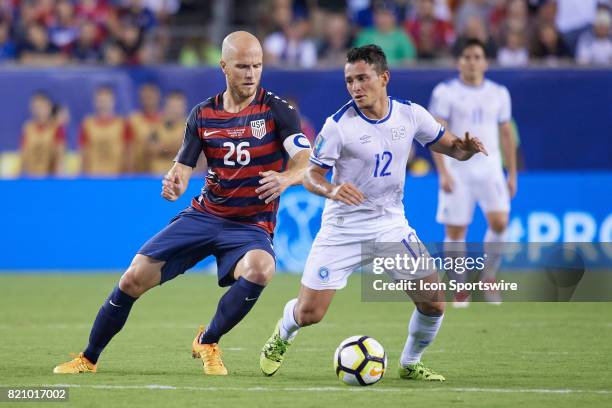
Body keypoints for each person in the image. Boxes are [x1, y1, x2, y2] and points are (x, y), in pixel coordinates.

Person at [53, 31, 311, 375]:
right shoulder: (203, 115)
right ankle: (88, 358)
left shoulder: (279, 111)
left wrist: (285, 178)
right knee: (133, 278)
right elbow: (182, 167)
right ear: (224, 66)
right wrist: (174, 182)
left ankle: (208, 339)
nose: (251, 74)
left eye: (257, 66)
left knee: (262, 268)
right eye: (242, 66)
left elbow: (306, 160)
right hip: (205, 215)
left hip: (251, 225)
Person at [259, 44, 487, 381]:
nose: (355, 87)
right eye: (349, 80)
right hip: (342, 229)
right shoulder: (338, 125)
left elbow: (453, 147)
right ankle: (283, 332)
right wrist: (333, 189)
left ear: (384, 78)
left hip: (389, 225)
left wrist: (465, 151)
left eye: (362, 78)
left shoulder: (410, 115)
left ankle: (410, 363)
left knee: (434, 302)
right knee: (310, 313)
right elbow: (311, 174)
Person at [429, 38, 517, 306]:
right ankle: (460, 286)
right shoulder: (445, 92)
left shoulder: (499, 93)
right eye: (466, 56)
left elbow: (506, 134)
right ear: (459, 61)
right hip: (458, 169)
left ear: (486, 62)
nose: (472, 61)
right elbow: (436, 134)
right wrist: (443, 172)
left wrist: (512, 173)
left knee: (500, 222)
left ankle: (488, 276)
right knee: (456, 230)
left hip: (490, 170)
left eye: (477, 56)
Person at [79, 85, 132, 175]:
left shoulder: (122, 124)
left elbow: (128, 154)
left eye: (106, 100)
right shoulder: (87, 124)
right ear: (94, 102)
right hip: (93, 178)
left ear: (113, 102)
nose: (103, 104)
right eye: (100, 101)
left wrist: (127, 177)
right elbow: (84, 154)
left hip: (116, 178)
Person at [19, 91, 65, 176]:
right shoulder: (27, 128)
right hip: (31, 179)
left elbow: (60, 158)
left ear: (49, 107)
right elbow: (23, 156)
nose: (39, 110)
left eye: (42, 106)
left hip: (49, 180)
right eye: (36, 107)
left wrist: (59, 181)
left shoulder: (56, 128)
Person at [148, 90, 187, 174]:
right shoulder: (156, 127)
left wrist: (163, 147)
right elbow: (152, 149)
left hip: (181, 177)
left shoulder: (191, 128)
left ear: (184, 108)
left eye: (178, 106)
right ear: (166, 107)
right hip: (157, 176)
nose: (175, 110)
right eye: (172, 106)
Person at [129, 82, 163, 173]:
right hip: (139, 171)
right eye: (145, 97)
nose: (148, 100)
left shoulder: (166, 120)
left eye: (151, 97)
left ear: (158, 97)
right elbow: (129, 148)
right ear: (141, 99)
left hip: (160, 172)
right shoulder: (133, 120)